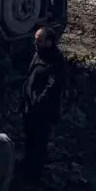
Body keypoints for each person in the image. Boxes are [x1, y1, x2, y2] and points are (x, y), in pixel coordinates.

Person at [20, 26, 67, 182]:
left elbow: (52, 86)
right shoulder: (38, 53)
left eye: (39, 40)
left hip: (43, 112)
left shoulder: (56, 60)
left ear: (49, 42)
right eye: (36, 40)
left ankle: (34, 175)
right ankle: (27, 166)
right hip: (29, 108)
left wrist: (38, 102)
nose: (36, 43)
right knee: (29, 139)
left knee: (39, 142)